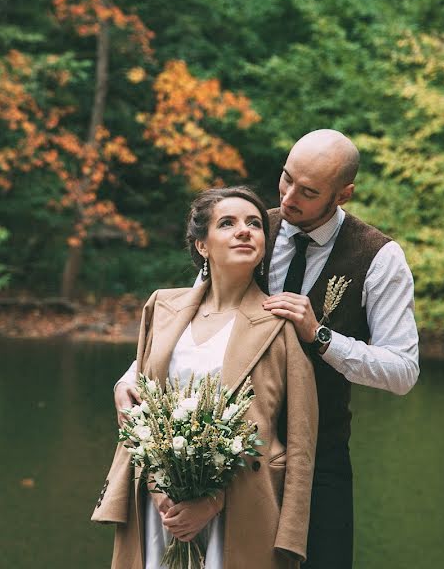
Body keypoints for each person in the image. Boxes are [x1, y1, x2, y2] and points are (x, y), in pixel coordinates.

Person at [113, 129, 420, 569]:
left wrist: (322, 337)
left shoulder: (380, 258)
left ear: (344, 193)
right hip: (221, 460)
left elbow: (403, 370)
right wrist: (129, 379)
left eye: (308, 191)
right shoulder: (249, 230)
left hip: (315, 456)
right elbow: (187, 322)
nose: (289, 196)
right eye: (286, 178)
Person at [92, 186, 320, 568]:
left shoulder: (281, 325)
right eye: (227, 223)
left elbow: (301, 441)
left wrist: (218, 504)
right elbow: (142, 393)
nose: (245, 231)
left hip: (242, 510)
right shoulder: (162, 307)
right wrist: (159, 487)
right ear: (202, 245)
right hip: (157, 506)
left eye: (254, 224)